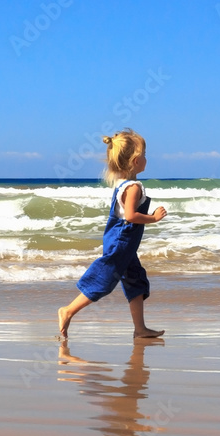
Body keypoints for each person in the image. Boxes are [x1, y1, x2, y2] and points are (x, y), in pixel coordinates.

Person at [58, 129, 167, 339]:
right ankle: (68, 310)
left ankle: (140, 329)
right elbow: (131, 216)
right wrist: (153, 218)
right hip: (122, 242)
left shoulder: (122, 184)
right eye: (144, 155)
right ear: (136, 161)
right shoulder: (133, 187)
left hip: (123, 241)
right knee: (105, 279)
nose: (146, 159)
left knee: (136, 281)